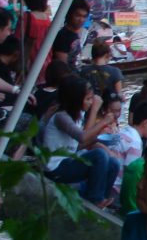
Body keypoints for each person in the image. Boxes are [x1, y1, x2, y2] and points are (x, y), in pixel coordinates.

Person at [41, 76, 121, 207]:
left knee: (113, 163)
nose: (91, 103)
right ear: (76, 100)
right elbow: (82, 137)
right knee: (99, 155)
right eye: (88, 99)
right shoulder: (61, 117)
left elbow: (77, 146)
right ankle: (94, 199)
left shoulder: (77, 115)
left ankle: (103, 199)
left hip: (67, 161)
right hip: (55, 168)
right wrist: (103, 121)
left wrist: (97, 138)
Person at [117, 101, 147, 210]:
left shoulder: (124, 131)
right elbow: (131, 174)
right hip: (116, 189)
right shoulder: (135, 143)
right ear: (145, 123)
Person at [51, 0, 91, 67]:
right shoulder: (63, 37)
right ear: (69, 14)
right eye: (78, 15)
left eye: (84, 16)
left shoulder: (75, 34)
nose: (81, 20)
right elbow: (62, 67)